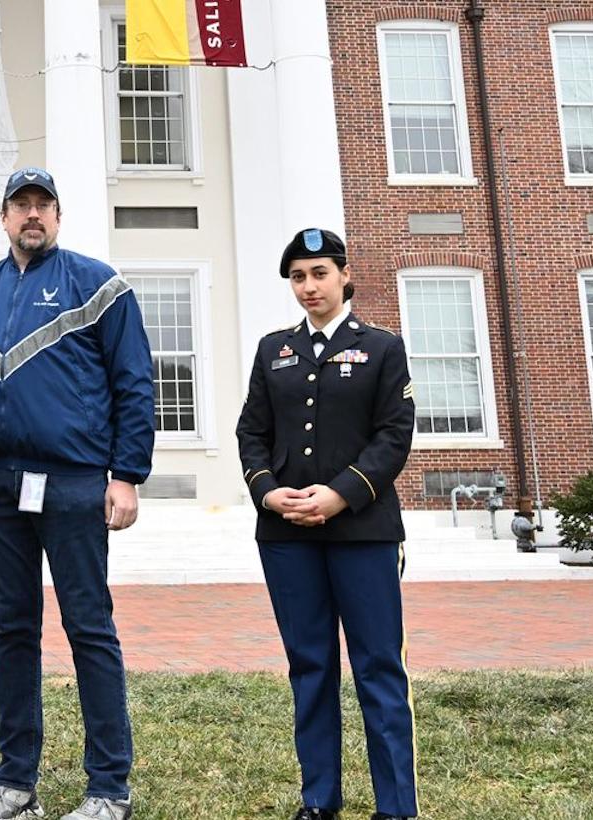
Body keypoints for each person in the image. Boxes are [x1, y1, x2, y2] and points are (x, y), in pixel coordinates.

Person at [0, 167, 156, 820]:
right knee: (12, 631)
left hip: (75, 484)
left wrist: (127, 474)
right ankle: (15, 785)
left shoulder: (99, 286)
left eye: (43, 205)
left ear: (58, 216)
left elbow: (135, 383)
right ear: (3, 218)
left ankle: (109, 789)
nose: (32, 215)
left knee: (89, 629)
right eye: (20, 205)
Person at [234, 227, 419, 820]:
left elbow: (394, 437)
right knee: (310, 666)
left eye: (319, 273)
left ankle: (396, 807)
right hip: (288, 536)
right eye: (297, 277)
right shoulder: (273, 351)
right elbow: (251, 434)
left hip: (363, 533)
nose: (308, 286)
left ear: (344, 275)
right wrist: (267, 493)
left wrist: (341, 495)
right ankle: (319, 801)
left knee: (378, 667)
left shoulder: (383, 348)